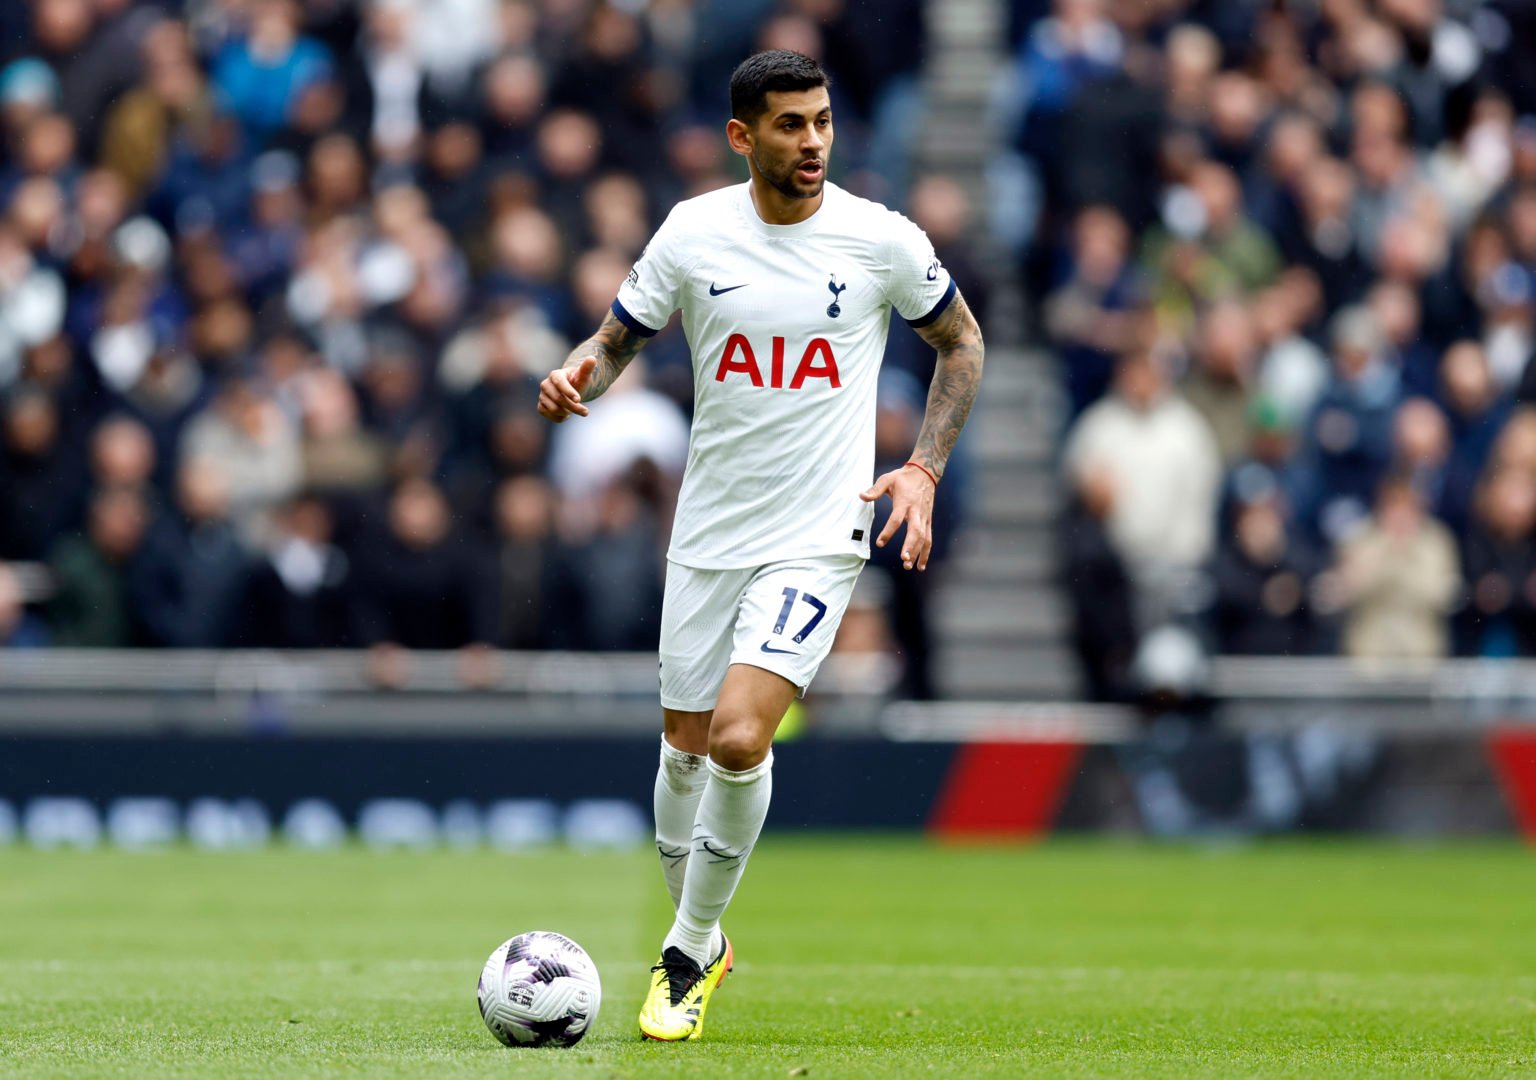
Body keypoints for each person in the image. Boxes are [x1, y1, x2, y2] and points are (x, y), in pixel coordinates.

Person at [535, 51, 983, 1042]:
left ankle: (688, 952)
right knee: (683, 754)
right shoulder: (695, 233)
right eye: (790, 124)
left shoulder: (880, 240)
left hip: (819, 533)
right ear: (744, 137)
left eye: (822, 121)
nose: (814, 140)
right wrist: (579, 375)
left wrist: (924, 468)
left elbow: (962, 342)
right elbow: (617, 339)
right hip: (708, 533)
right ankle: (707, 929)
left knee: (741, 738)